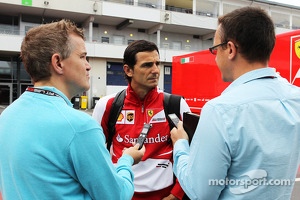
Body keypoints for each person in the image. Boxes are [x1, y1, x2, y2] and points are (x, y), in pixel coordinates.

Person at [0, 19, 145, 200]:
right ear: (58, 63)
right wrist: (126, 160)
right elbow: (116, 195)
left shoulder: (7, 116)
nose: (88, 65)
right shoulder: (79, 127)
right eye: (82, 56)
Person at [170, 6, 300, 200]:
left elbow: (201, 193)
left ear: (230, 49)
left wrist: (180, 146)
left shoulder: (219, 110)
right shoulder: (295, 97)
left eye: (215, 50)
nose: (215, 58)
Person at [92, 40, 191, 200]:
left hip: (165, 195)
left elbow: (190, 151)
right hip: (122, 193)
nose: (156, 70)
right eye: (147, 65)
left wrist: (177, 194)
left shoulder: (176, 104)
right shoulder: (108, 105)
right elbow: (95, 153)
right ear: (128, 70)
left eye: (157, 63)